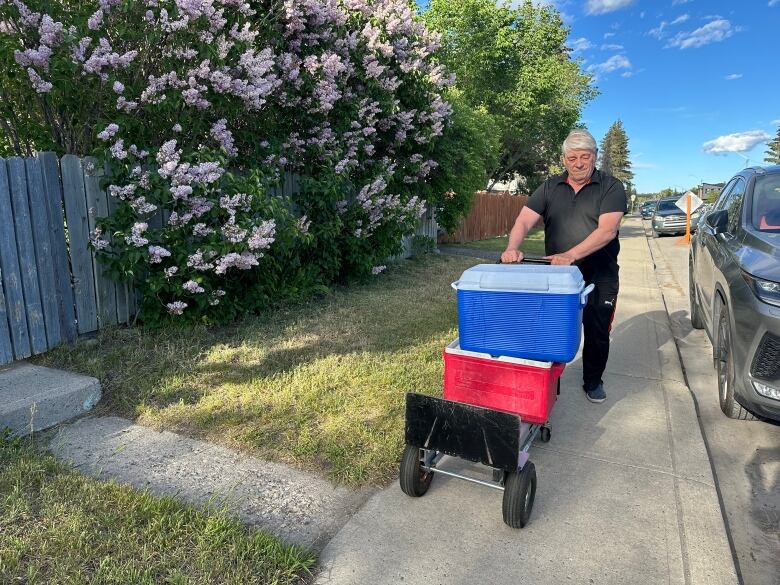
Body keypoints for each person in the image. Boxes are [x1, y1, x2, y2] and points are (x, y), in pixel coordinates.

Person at [501, 129, 627, 403]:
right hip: (558, 277)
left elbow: (607, 231)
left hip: (599, 274)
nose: (578, 163)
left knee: (596, 329)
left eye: (585, 157)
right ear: (564, 159)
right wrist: (512, 248)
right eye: (572, 158)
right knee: (551, 327)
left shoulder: (611, 186)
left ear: (594, 157)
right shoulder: (549, 187)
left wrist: (571, 254)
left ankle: (593, 381)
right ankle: (546, 378)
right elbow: (523, 221)